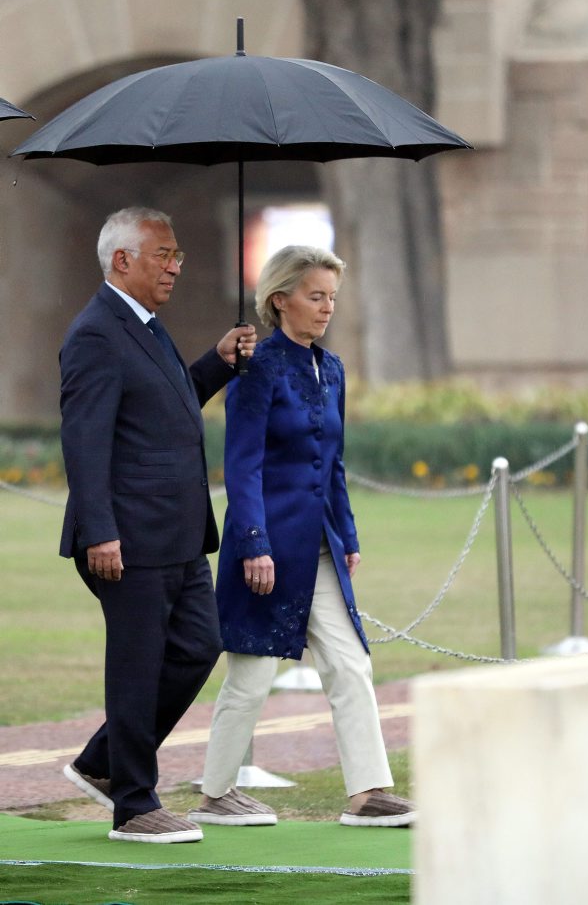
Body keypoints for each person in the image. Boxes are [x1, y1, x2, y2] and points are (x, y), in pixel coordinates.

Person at [188, 245, 414, 829]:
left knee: (350, 664)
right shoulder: (255, 367)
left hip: (321, 549)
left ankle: (369, 793)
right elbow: (241, 467)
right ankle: (216, 794)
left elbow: (332, 463)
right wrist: (255, 543)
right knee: (252, 676)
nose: (327, 307)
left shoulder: (331, 369)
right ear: (280, 299)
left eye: (332, 297)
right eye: (316, 296)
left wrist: (349, 535)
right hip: (264, 549)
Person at [59, 207, 257, 844]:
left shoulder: (144, 325)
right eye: (163, 255)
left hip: (179, 534)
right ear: (122, 261)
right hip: (128, 537)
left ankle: (103, 762)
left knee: (199, 644)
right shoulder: (96, 333)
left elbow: (168, 406)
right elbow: (84, 441)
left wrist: (217, 362)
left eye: (177, 256)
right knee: (137, 667)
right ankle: (134, 806)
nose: (175, 267)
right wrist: (99, 531)